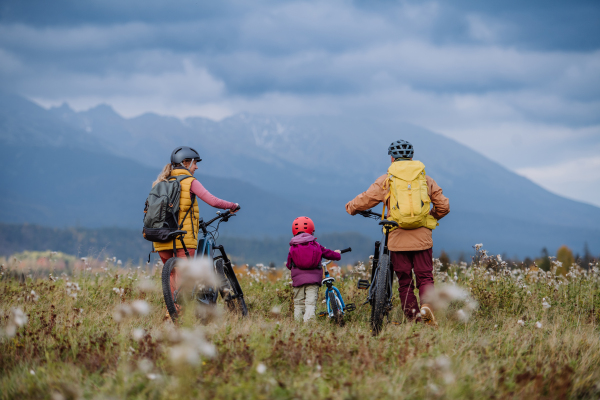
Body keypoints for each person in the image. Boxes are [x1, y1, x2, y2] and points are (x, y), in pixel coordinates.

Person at [345, 140, 449, 325]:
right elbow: (443, 206)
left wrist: (351, 208)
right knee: (425, 276)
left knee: (404, 280)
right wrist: (428, 219)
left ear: (392, 158)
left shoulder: (387, 179)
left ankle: (414, 319)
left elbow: (366, 199)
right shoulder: (425, 178)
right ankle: (427, 307)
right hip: (422, 239)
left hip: (396, 237)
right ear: (411, 157)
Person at [152, 146, 239, 264]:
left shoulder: (161, 182)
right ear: (185, 163)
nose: (196, 167)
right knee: (184, 278)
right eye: (195, 163)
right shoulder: (190, 181)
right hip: (183, 238)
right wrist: (232, 206)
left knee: (171, 275)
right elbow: (213, 201)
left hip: (160, 237)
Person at [286, 217, 341, 322]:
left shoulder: (292, 247)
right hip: (313, 281)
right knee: (310, 303)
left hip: (298, 282)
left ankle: (298, 324)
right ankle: (308, 323)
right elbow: (328, 253)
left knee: (298, 303)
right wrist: (337, 255)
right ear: (311, 230)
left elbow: (289, 265)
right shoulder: (316, 245)